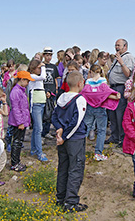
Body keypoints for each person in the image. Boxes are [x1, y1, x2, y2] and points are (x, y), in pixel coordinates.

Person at [52, 71, 88, 212]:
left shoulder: (61, 98)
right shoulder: (80, 99)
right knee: (75, 169)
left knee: (63, 167)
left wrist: (59, 129)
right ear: (80, 83)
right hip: (74, 139)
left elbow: (54, 116)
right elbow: (76, 122)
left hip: (62, 139)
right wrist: (65, 136)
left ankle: (61, 198)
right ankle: (71, 202)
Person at [81, 64, 120, 161]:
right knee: (102, 131)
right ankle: (98, 153)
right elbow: (105, 93)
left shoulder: (88, 81)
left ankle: (79, 150)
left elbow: (85, 93)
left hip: (89, 108)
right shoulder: (103, 80)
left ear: (91, 72)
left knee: (86, 129)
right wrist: (115, 96)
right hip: (100, 108)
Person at [106, 39, 135, 147]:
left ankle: (123, 139)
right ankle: (115, 136)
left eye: (119, 45)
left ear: (125, 46)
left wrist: (122, 63)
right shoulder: (117, 58)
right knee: (112, 114)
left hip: (120, 87)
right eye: (115, 45)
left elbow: (128, 73)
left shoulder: (128, 57)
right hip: (113, 88)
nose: (116, 47)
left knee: (120, 114)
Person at [8, 71, 34, 172]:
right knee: (17, 142)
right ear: (22, 79)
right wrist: (20, 123)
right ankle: (14, 163)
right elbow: (16, 109)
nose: (28, 83)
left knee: (19, 142)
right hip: (18, 123)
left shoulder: (20, 90)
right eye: (27, 81)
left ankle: (17, 161)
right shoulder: (16, 92)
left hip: (21, 121)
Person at [28, 59, 48, 162]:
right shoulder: (32, 76)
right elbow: (43, 77)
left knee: (36, 128)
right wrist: (44, 67)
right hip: (36, 104)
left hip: (41, 102)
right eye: (39, 68)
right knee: (39, 128)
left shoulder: (36, 78)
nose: (41, 70)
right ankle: (40, 153)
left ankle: (33, 149)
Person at [42, 47, 60, 139]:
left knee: (50, 113)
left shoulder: (53, 67)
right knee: (44, 113)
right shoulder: (41, 66)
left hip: (52, 92)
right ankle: (42, 132)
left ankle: (47, 131)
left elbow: (55, 78)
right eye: (47, 55)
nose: (48, 57)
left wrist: (55, 89)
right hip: (44, 92)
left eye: (50, 55)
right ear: (44, 55)